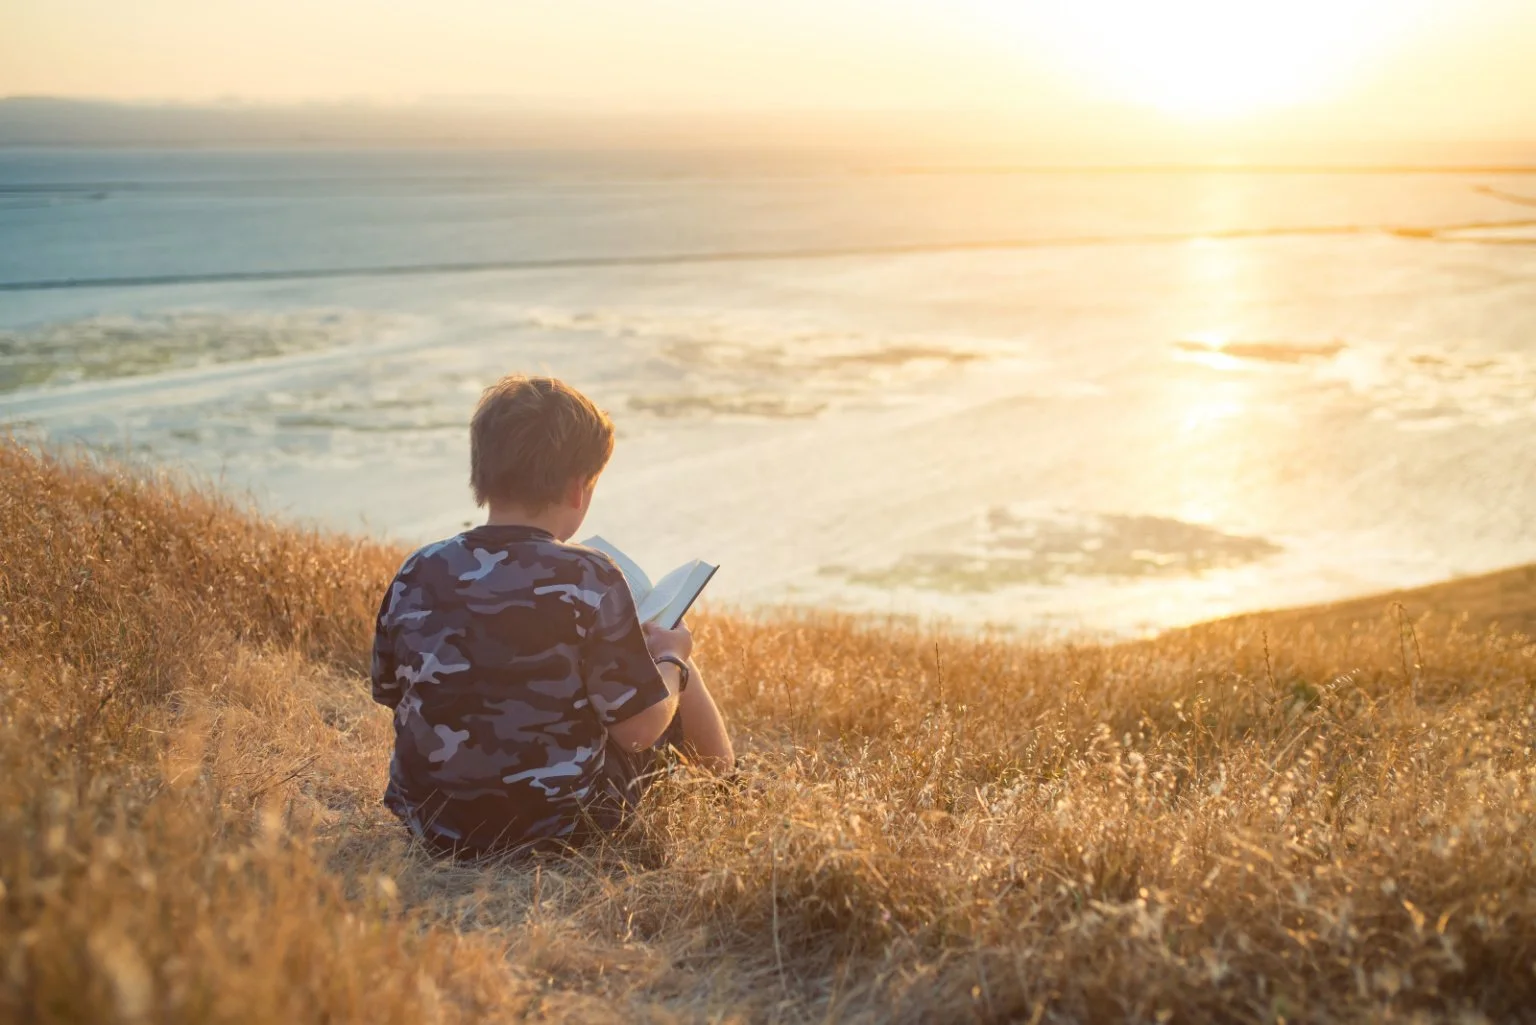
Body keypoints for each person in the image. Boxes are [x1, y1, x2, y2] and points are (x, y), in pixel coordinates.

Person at [369, 374, 733, 859]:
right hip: (559, 832)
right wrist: (673, 662)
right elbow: (639, 733)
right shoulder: (590, 575)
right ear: (579, 490)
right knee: (668, 667)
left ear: (482, 473)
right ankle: (729, 791)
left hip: (433, 825)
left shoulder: (418, 569)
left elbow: (388, 690)